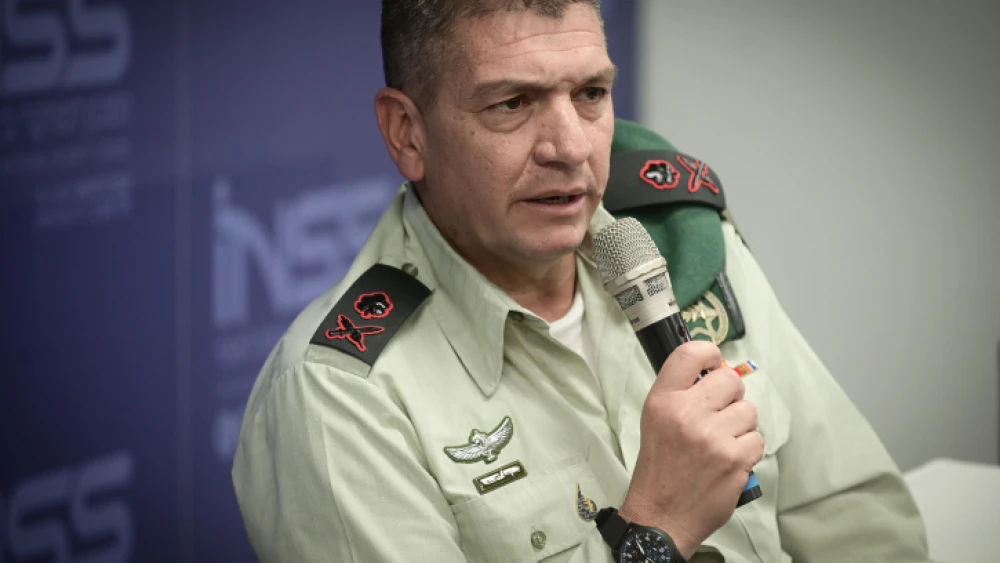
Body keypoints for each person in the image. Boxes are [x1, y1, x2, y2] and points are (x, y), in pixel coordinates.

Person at [231, 1, 934, 561]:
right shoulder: (337, 395)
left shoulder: (682, 247)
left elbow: (856, 521)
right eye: (511, 103)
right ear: (407, 133)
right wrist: (653, 533)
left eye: (591, 93)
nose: (569, 146)